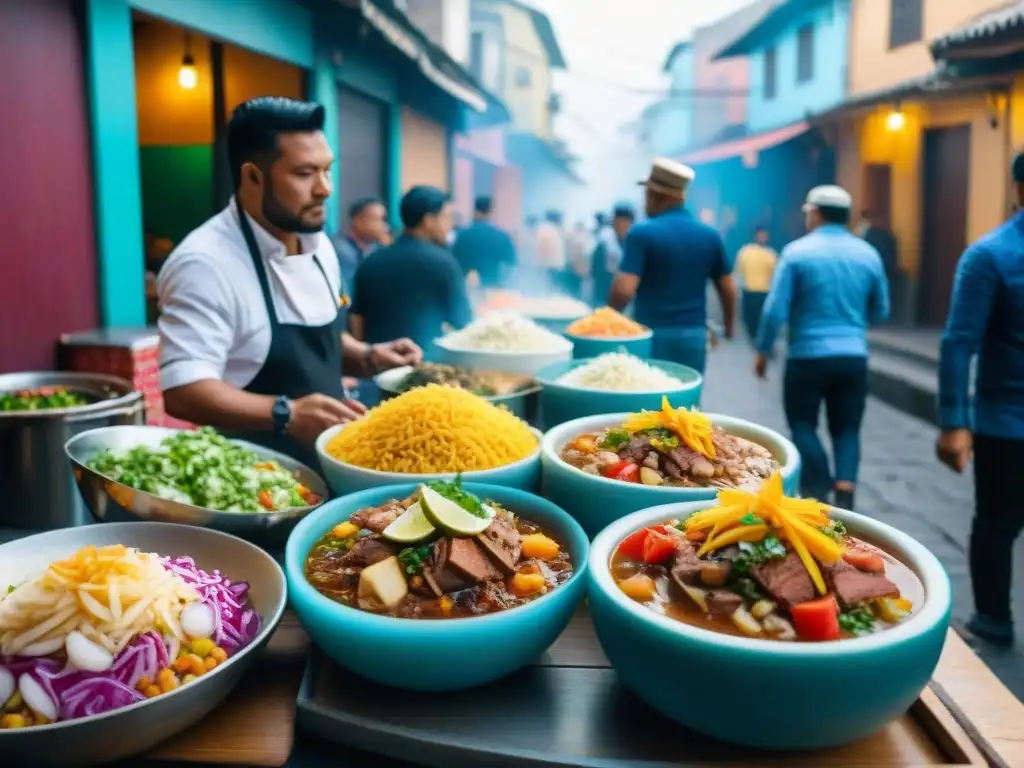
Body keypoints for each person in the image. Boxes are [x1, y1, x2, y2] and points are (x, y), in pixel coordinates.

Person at [157, 97, 421, 467]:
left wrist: (369, 357)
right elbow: (184, 391)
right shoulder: (204, 263)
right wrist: (287, 413)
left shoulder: (318, 243)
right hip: (254, 484)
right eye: (304, 173)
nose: (324, 189)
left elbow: (317, 339)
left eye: (327, 170)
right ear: (252, 176)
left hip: (332, 465)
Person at [754, 185, 889, 510]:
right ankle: (845, 484)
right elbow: (882, 310)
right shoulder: (868, 254)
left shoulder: (796, 252)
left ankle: (820, 485)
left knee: (802, 425)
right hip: (853, 356)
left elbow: (774, 311)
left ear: (814, 213)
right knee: (847, 429)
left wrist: (763, 351)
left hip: (806, 356)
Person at [936, 153, 1024, 648]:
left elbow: (959, 341)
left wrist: (954, 422)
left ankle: (993, 619)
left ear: (1016, 187)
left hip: (1005, 423)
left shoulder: (989, 254)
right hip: (1007, 420)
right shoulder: (993, 255)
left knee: (995, 525)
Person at [609, 158, 736, 374]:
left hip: (651, 336)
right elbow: (728, 288)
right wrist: (729, 328)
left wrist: (607, 317)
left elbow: (624, 289)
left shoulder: (641, 233)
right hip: (694, 337)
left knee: (649, 403)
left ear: (655, 195)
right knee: (686, 402)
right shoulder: (710, 235)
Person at [349, 185, 472, 356]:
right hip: (424, 368)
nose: (450, 225)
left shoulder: (372, 260)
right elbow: (463, 322)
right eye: (447, 217)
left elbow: (356, 320)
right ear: (429, 220)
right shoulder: (443, 264)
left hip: (377, 365)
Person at [451, 196, 516, 289]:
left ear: (475, 210)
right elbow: (511, 263)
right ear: (491, 211)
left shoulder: (462, 235)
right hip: (494, 286)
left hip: (466, 287)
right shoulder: (501, 235)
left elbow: (453, 260)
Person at [332, 197, 389, 289]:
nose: (385, 226)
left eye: (384, 220)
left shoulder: (375, 249)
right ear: (358, 221)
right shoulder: (341, 250)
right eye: (378, 220)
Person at [735, 225, 778, 343]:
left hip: (765, 292)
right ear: (755, 235)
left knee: (763, 318)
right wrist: (738, 289)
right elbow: (739, 271)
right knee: (749, 318)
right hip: (749, 291)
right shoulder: (745, 252)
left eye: (765, 234)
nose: (762, 237)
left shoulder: (770, 254)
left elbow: (775, 274)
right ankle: (754, 337)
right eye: (760, 234)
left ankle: (761, 340)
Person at [591, 205, 634, 307]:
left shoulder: (632, 241)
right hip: (605, 292)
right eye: (617, 222)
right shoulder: (604, 242)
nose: (621, 226)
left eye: (625, 222)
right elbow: (596, 272)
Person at [534, 211, 567, 292]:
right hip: (549, 266)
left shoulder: (544, 230)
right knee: (549, 289)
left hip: (547, 266)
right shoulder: (547, 230)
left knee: (548, 289)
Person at [565, 220, 592, 299]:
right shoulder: (583, 240)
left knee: (576, 292)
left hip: (577, 271)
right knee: (577, 292)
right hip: (579, 271)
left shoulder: (577, 240)